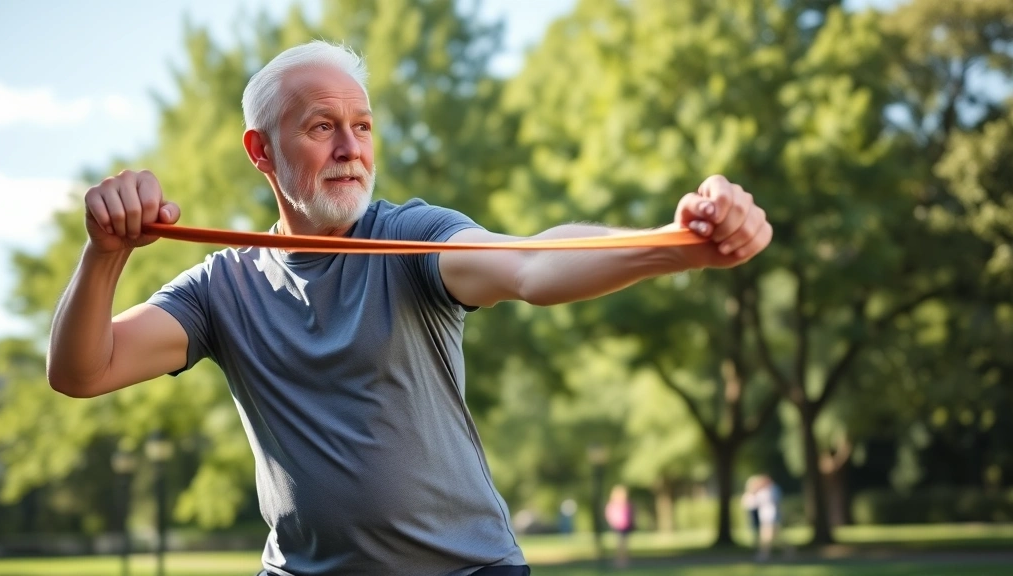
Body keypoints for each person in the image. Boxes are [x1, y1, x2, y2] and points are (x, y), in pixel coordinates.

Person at [45, 40, 773, 576]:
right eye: (321, 126)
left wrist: (678, 245)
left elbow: (530, 262)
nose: (349, 148)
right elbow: (83, 370)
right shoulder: (220, 288)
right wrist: (106, 252)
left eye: (362, 126)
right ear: (260, 152)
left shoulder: (409, 236)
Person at [604, 485, 634, 569]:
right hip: (617, 527)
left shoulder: (626, 504)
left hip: (625, 526)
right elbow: (609, 515)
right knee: (619, 544)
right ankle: (619, 561)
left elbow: (629, 514)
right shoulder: (612, 505)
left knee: (624, 544)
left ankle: (624, 560)